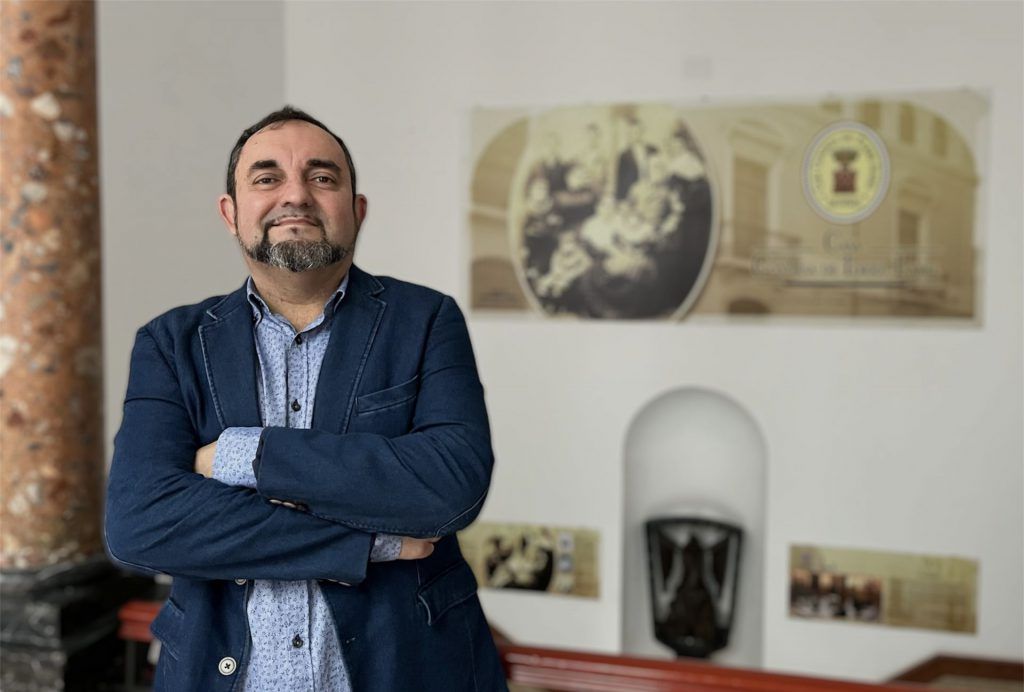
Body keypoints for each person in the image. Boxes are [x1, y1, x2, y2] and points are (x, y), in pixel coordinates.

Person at [104, 106, 508, 691]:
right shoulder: (170, 344)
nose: (295, 195)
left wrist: (245, 455)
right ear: (231, 213)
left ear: (357, 210)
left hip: (408, 671)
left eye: (322, 177)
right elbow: (139, 524)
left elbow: (450, 486)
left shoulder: (426, 320)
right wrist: (371, 542)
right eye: (267, 178)